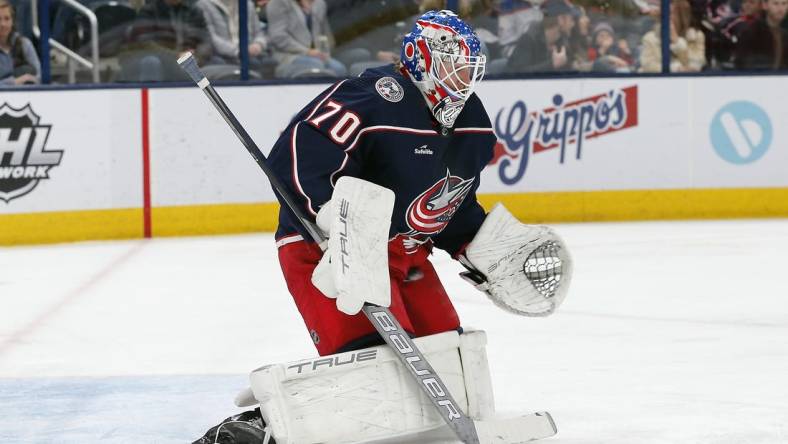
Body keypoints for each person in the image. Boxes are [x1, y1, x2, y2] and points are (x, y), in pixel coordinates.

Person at [194, 10, 572, 442]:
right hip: (328, 249)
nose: (463, 78)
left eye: (469, 67)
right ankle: (255, 428)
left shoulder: (472, 122)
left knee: (448, 361)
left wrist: (480, 242)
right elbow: (297, 154)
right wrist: (333, 229)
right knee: (372, 370)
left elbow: (449, 203)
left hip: (406, 255)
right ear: (418, 57)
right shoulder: (371, 98)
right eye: (453, 64)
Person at [121, 0, 212, 81]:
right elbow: (145, 44)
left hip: (192, 60)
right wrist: (176, 56)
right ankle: (154, 97)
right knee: (151, 62)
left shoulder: (195, 11)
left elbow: (206, 40)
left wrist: (197, 56)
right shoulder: (149, 11)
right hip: (164, 60)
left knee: (219, 63)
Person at [265, 0, 347, 77]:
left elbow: (325, 34)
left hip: (316, 54)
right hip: (288, 56)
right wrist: (307, 51)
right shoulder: (278, 2)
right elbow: (278, 36)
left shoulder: (319, 4)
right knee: (316, 66)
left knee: (339, 69)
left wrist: (325, 51)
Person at [196, 0, 271, 73]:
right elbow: (211, 38)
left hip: (250, 55)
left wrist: (258, 44)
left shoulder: (247, 4)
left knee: (267, 63)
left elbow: (259, 32)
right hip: (221, 56)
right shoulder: (203, 5)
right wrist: (239, 51)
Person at [506, 0, 575, 72]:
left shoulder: (562, 40)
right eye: (571, 19)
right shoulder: (529, 39)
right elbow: (517, 73)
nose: (573, 24)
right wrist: (552, 65)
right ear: (561, 19)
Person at [639, 0, 706, 72]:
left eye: (670, 14)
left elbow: (694, 67)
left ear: (683, 16)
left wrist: (677, 42)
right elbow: (648, 66)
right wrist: (676, 68)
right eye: (664, 14)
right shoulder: (650, 38)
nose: (666, 18)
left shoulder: (696, 37)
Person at [734, 0, 788, 69]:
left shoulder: (784, 34)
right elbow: (742, 62)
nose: (780, 9)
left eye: (784, 4)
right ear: (765, 5)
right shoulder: (751, 32)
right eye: (775, 3)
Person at [0, 0, 39, 86]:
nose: (2, 24)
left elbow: (39, 77)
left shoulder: (24, 44)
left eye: (7, 19)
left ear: (12, 21)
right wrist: (14, 82)